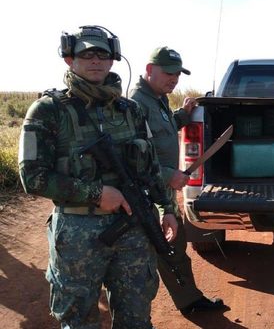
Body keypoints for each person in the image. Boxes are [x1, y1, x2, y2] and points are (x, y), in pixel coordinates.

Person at [19, 26, 178, 328]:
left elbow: (151, 169)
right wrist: (95, 193)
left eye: (102, 54)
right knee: (79, 321)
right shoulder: (48, 111)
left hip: (133, 230)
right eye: (86, 54)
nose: (95, 60)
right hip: (78, 234)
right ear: (70, 58)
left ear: (113, 58)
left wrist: (168, 208)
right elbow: (33, 177)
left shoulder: (131, 111)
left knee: (136, 317)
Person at [130, 46, 225, 315]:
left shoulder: (156, 100)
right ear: (149, 70)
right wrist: (167, 175)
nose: (174, 79)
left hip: (162, 196)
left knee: (174, 247)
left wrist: (181, 116)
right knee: (143, 260)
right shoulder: (136, 104)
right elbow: (129, 156)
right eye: (168, 73)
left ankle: (190, 301)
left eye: (177, 74)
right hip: (143, 199)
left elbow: (158, 133)